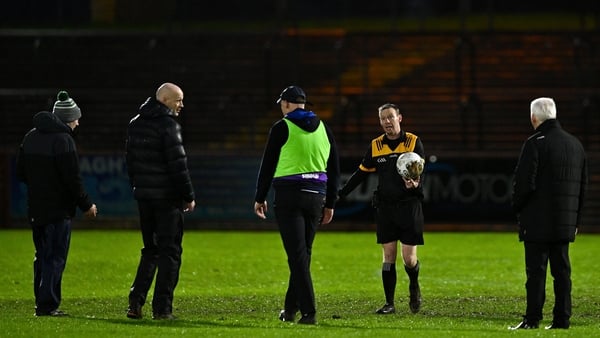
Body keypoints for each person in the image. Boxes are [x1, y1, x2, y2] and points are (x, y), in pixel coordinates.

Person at [253, 85, 340, 325]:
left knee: (297, 257)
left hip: (290, 197)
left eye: (282, 103)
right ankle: (290, 309)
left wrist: (260, 197)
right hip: (316, 197)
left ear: (288, 104)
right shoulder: (324, 128)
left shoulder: (282, 127)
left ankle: (309, 312)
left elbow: (268, 163)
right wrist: (330, 202)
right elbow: (334, 168)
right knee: (303, 255)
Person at [16, 90, 98, 317]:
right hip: (58, 209)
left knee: (41, 255)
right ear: (67, 119)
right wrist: (86, 205)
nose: (78, 122)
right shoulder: (64, 140)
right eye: (76, 118)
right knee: (55, 257)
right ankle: (48, 305)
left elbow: (20, 173)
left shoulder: (30, 136)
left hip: (36, 208)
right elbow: (72, 179)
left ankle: (40, 302)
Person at [338, 103, 424, 315]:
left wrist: (416, 184)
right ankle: (389, 303)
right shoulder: (376, 145)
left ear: (399, 118)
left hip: (409, 206)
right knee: (388, 255)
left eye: (390, 117)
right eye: (382, 118)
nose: (386, 121)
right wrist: (340, 194)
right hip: (385, 207)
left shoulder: (413, 142)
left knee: (409, 259)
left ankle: (414, 285)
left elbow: (421, 172)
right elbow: (360, 173)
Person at [509, 97, 587, 330]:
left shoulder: (534, 143)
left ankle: (532, 319)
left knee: (536, 273)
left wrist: (517, 207)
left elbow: (524, 183)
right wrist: (575, 220)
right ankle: (562, 320)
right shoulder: (576, 144)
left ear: (534, 118)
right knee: (562, 273)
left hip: (537, 221)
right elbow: (582, 187)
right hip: (565, 222)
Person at [125, 82, 196, 320]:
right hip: (167, 199)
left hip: (144, 197)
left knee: (150, 250)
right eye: (178, 100)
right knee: (170, 252)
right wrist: (188, 195)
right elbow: (178, 166)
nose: (181, 105)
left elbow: (130, 162)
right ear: (165, 100)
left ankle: (135, 302)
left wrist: (139, 187)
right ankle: (162, 308)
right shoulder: (168, 126)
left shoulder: (135, 124)